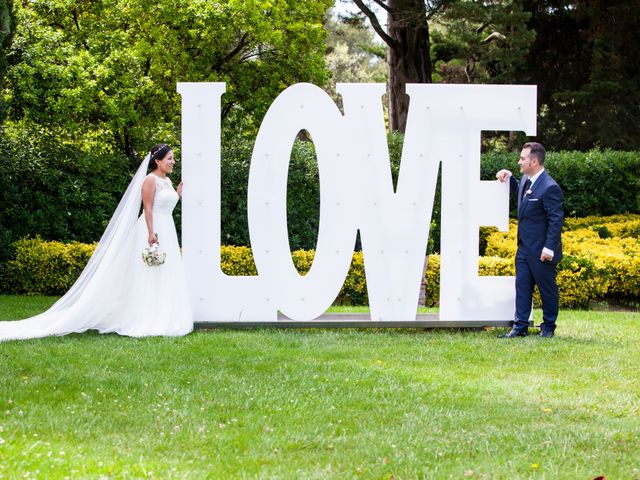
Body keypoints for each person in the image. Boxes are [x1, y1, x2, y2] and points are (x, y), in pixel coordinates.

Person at [0, 144, 193, 341]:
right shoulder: (150, 180)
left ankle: (161, 313)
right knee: (145, 273)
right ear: (158, 161)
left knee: (164, 272)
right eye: (169, 158)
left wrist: (177, 194)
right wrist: (151, 233)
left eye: (173, 158)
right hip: (152, 229)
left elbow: (165, 204)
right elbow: (148, 208)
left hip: (167, 229)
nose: (173, 162)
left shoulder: (167, 181)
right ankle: (141, 315)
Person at [496, 142, 564, 338]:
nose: (519, 161)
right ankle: (520, 327)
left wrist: (549, 248)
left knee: (547, 290)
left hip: (542, 251)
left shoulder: (550, 187)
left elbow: (555, 220)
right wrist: (510, 178)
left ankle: (548, 327)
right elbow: (523, 195)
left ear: (534, 161)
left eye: (522, 158)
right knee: (523, 288)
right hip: (524, 249)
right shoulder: (526, 179)